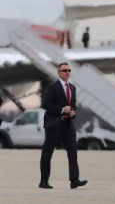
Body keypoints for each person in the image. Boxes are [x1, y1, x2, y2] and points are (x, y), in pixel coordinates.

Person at [39, 62, 88, 190]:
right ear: (59, 73)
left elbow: (73, 105)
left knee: (73, 153)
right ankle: (44, 181)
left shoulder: (72, 88)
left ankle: (74, 180)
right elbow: (46, 104)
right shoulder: (52, 87)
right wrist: (62, 110)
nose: (67, 72)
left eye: (69, 70)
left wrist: (72, 112)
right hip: (54, 124)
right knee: (47, 154)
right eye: (64, 70)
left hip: (68, 125)